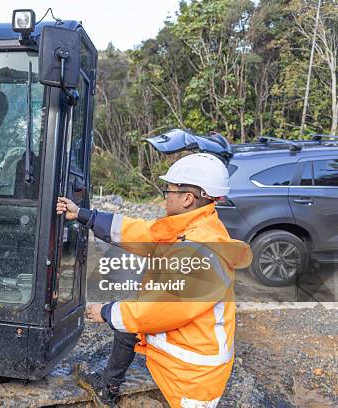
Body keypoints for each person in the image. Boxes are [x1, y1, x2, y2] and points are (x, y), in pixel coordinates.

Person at [56, 153, 252, 408]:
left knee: (127, 314)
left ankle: (108, 386)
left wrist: (105, 311)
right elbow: (142, 232)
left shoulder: (198, 250)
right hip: (189, 360)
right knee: (129, 317)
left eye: (168, 190)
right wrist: (85, 215)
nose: (164, 196)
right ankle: (108, 388)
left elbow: (156, 311)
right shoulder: (193, 227)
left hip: (193, 379)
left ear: (188, 198)